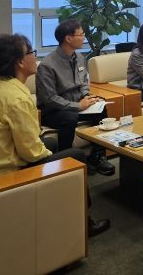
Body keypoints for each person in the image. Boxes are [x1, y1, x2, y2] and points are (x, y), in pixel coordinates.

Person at [0, 34, 109, 236]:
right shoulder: (17, 97)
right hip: (5, 171)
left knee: (51, 142)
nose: (35, 57)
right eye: (31, 52)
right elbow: (31, 153)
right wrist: (51, 156)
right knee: (75, 156)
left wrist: (45, 148)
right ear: (20, 62)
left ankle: (58, 201)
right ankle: (85, 222)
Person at [36, 19, 115, 176]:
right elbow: (49, 98)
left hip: (77, 104)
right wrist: (77, 106)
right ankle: (66, 159)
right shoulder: (47, 65)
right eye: (81, 34)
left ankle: (97, 156)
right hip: (53, 110)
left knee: (101, 109)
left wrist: (88, 96)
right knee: (70, 117)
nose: (84, 37)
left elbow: (84, 82)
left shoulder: (79, 57)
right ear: (68, 38)